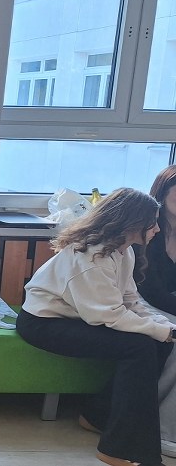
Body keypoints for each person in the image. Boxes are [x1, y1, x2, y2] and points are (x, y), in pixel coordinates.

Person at [18, 187, 176, 466]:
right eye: (152, 223)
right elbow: (109, 316)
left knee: (158, 341)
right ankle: (120, 449)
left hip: (77, 317)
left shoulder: (122, 250)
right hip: (44, 323)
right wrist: (161, 330)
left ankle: (97, 416)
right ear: (132, 223)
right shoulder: (92, 257)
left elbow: (130, 300)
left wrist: (166, 327)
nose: (157, 230)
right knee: (139, 347)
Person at [134, 165, 176, 458]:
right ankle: (162, 430)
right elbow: (148, 289)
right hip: (141, 300)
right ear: (163, 193)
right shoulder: (148, 228)